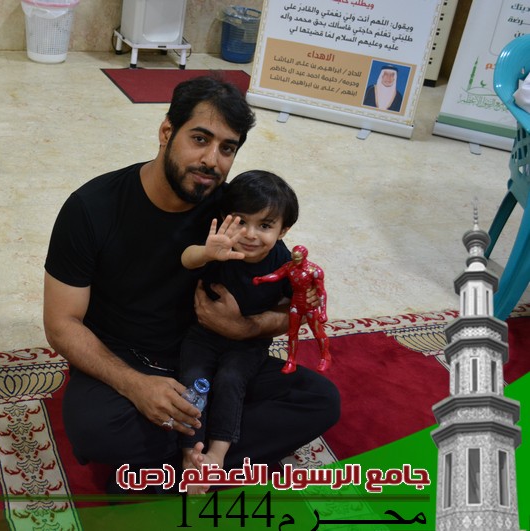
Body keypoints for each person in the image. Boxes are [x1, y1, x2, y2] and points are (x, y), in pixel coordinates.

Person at [43, 75, 339, 494]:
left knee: (319, 401)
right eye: (200, 139)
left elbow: (289, 303)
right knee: (96, 430)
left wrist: (245, 328)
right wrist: (136, 386)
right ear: (167, 132)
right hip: (129, 359)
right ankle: (208, 451)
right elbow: (61, 325)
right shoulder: (92, 208)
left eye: (227, 148)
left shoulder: (235, 211)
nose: (211, 160)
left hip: (213, 358)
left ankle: (180, 466)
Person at [178, 170, 298, 494]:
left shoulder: (284, 261)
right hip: (202, 335)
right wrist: (206, 253)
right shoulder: (221, 245)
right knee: (193, 378)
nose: (250, 234)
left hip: (249, 344)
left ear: (283, 230)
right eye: (241, 221)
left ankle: (216, 456)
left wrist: (308, 296)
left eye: (265, 225)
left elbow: (294, 304)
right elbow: (186, 259)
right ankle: (191, 454)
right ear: (225, 217)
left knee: (230, 379)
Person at [254, 245, 332, 374]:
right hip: (296, 304)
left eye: (298, 258)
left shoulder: (314, 270)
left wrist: (323, 311)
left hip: (310, 306)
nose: (296, 260)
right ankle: (291, 360)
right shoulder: (289, 267)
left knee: (318, 332)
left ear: (304, 256)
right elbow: (277, 275)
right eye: (294, 258)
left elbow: (321, 291)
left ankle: (325, 356)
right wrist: (263, 279)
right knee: (292, 333)